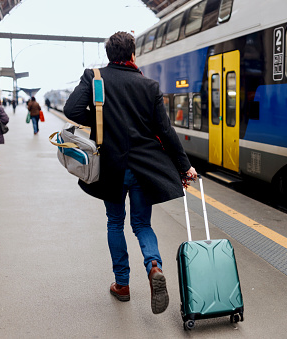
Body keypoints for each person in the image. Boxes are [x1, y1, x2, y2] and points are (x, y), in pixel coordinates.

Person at [63, 31, 197, 315]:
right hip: (142, 167)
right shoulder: (148, 85)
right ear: (133, 54)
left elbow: (72, 109)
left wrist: (102, 124)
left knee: (115, 222)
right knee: (142, 225)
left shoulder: (95, 76)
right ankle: (154, 267)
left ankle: (122, 285)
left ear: (110, 54)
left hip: (111, 166)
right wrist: (185, 166)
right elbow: (165, 130)